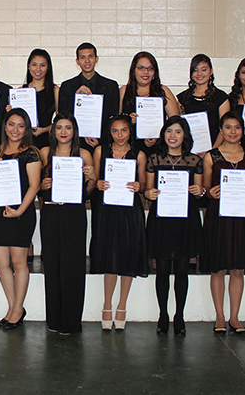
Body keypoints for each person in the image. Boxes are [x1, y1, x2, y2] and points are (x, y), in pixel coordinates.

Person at [201, 111, 245, 335]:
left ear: (242, 130)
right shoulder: (210, 156)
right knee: (218, 269)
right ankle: (220, 315)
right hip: (218, 217)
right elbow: (205, 189)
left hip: (242, 217)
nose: (233, 132)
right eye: (228, 127)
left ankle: (235, 317)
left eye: (237, 127)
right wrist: (210, 192)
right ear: (221, 130)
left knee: (238, 269)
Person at [143, 116, 204, 335]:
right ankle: (163, 314)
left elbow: (201, 192)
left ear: (185, 135)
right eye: (169, 131)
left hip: (185, 221)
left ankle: (179, 315)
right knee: (162, 271)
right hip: (161, 220)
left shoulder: (195, 161)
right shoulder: (154, 159)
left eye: (178, 131)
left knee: (181, 271)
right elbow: (148, 191)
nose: (173, 136)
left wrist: (201, 191)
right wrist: (148, 193)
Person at [38, 112, 96, 334]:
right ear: (53, 130)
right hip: (51, 213)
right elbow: (39, 187)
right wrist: (43, 185)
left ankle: (71, 322)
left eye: (68, 127)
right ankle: (53, 320)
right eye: (59, 127)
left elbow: (88, 193)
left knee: (73, 267)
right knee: (52, 266)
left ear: (75, 131)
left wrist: (91, 179)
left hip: (74, 214)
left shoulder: (84, 155)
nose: (63, 132)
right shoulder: (45, 153)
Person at [90, 113, 148, 331]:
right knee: (110, 256)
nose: (119, 135)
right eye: (115, 131)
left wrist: (138, 186)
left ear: (130, 131)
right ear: (109, 132)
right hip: (107, 209)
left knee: (127, 256)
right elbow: (95, 179)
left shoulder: (139, 154)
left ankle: (122, 305)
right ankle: (107, 305)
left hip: (130, 210)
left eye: (124, 130)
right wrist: (99, 183)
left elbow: (143, 183)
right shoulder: (100, 151)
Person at [0, 108, 42, 329]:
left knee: (19, 263)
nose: (15, 130)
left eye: (21, 125)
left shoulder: (31, 152)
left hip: (21, 214)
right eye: (12, 124)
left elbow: (34, 185)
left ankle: (17, 309)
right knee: (0, 262)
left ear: (27, 129)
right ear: (5, 126)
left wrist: (19, 210)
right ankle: (14, 307)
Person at [58, 43, 121, 150]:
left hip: (103, 143)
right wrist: (76, 97)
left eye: (90, 56)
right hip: (74, 144)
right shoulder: (67, 86)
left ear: (96, 59)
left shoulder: (111, 86)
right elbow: (63, 115)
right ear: (77, 61)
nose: (87, 61)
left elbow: (113, 117)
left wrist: (101, 140)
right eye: (83, 57)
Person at [120, 51, 180, 156]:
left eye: (150, 68)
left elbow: (175, 122)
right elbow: (115, 122)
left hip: (158, 150)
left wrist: (159, 136)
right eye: (141, 68)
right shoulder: (124, 91)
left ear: (155, 72)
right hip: (129, 148)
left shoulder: (163, 91)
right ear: (133, 70)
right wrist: (127, 120)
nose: (146, 72)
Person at [177, 54, 230, 152]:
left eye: (204, 69)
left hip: (215, 151)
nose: (199, 73)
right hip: (189, 152)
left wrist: (212, 152)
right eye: (195, 70)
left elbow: (225, 128)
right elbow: (179, 127)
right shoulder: (182, 98)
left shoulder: (221, 98)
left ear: (211, 71)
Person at [16, 49, 59, 149]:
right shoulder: (21, 90)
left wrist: (43, 130)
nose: (38, 69)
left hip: (47, 141)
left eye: (42, 65)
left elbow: (60, 121)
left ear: (48, 67)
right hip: (25, 141)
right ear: (28, 66)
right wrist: (11, 111)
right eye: (34, 64)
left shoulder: (55, 90)